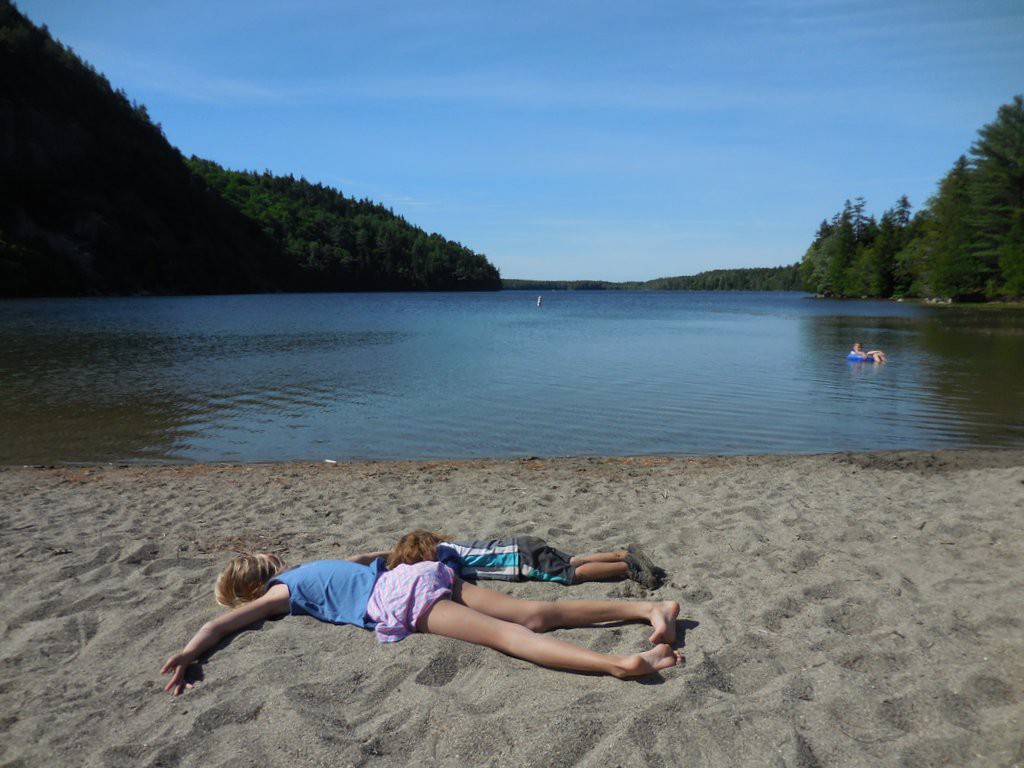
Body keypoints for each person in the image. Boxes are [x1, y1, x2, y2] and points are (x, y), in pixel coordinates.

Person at [160, 551, 683, 696]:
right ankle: (647, 610)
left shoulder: (283, 593)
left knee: (512, 637)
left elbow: (222, 625)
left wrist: (189, 652)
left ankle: (618, 663)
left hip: (400, 595)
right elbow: (372, 557)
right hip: (418, 574)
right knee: (533, 613)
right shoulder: (307, 571)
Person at [387, 530, 665, 589]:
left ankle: (628, 567)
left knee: (571, 575)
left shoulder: (446, 555)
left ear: (427, 551)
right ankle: (621, 553)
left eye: (419, 562)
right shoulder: (448, 545)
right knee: (574, 559)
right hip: (521, 543)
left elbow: (450, 574)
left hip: (521, 558)